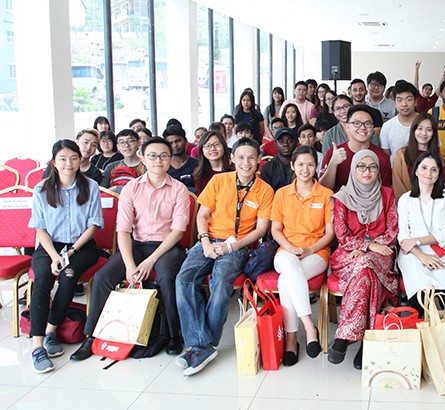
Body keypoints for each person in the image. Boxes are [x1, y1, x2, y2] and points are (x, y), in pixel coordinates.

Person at [71, 137, 190, 361]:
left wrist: (150, 261)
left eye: (164, 156)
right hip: (136, 245)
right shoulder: (131, 189)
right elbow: (123, 230)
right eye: (153, 156)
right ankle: (91, 336)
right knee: (103, 277)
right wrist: (129, 265)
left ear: (170, 159)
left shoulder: (179, 189)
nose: (158, 160)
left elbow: (177, 232)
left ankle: (174, 334)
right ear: (143, 158)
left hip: (166, 247)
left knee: (166, 277)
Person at [175, 138, 274, 376]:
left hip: (238, 245)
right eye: (240, 157)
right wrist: (205, 241)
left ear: (259, 160)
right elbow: (202, 215)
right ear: (232, 158)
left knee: (220, 282)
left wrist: (231, 247)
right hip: (208, 240)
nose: (246, 162)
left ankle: (201, 346)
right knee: (184, 279)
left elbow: (260, 231)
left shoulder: (265, 190)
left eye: (251, 157)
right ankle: (201, 344)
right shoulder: (218, 181)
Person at [28, 140, 103, 373]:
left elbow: (93, 225)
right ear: (54, 162)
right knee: (42, 279)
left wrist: (69, 253)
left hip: (81, 246)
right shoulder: (41, 190)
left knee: (69, 276)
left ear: (80, 159)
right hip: (50, 246)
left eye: (73, 158)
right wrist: (53, 256)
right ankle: (37, 345)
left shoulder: (90, 186)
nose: (68, 163)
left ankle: (51, 330)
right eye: (62, 158)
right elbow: (40, 229)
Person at [327, 150, 399, 369]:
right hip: (349, 255)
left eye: (372, 167)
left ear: (378, 170)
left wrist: (371, 249)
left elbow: (392, 230)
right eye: (361, 166)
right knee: (365, 269)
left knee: (366, 269)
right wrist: (366, 246)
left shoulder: (387, 194)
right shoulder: (341, 197)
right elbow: (342, 235)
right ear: (353, 169)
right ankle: (366, 341)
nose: (367, 171)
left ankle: (346, 337)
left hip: (381, 254)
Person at [270, 145, 335, 366]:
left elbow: (330, 233)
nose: (305, 169)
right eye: (300, 164)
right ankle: (309, 326)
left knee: (284, 279)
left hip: (316, 253)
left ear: (316, 167)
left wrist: (308, 250)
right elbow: (275, 229)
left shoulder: (327, 195)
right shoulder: (281, 194)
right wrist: (289, 247)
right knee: (289, 267)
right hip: (286, 251)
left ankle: (291, 338)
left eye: (310, 164)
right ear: (292, 166)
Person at [397, 153, 445, 317]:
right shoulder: (405, 199)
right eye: (424, 168)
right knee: (420, 299)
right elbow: (403, 237)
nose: (428, 173)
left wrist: (416, 240)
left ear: (439, 174)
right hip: (412, 255)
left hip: (441, 252)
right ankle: (422, 339)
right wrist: (422, 255)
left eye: (434, 169)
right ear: (416, 171)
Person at [320, 105, 392, 192]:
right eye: (357, 123)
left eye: (367, 123)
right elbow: (322, 190)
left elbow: (385, 192)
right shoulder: (333, 154)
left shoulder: (381, 158)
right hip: (337, 204)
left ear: (373, 127)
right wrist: (333, 164)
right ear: (347, 127)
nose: (362, 128)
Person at [391, 113, 439, 199]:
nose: (423, 133)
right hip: (406, 205)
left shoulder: (437, 157)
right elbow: (398, 184)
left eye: (429, 130)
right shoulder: (401, 155)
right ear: (414, 130)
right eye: (420, 128)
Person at [381, 80, 418, 162]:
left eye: (409, 99)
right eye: (399, 100)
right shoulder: (387, 127)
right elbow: (387, 155)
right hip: (396, 172)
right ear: (394, 103)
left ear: (415, 102)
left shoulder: (426, 123)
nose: (404, 104)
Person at [261, 128, 298, 194]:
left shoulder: (303, 166)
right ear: (275, 145)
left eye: (290, 141)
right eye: (281, 141)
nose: (285, 144)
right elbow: (265, 194)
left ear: (296, 143)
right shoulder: (268, 168)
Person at [163, 126, 199, 191]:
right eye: (170, 143)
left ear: (185, 140)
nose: (175, 145)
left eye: (178, 141)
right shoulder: (163, 167)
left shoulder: (197, 165)